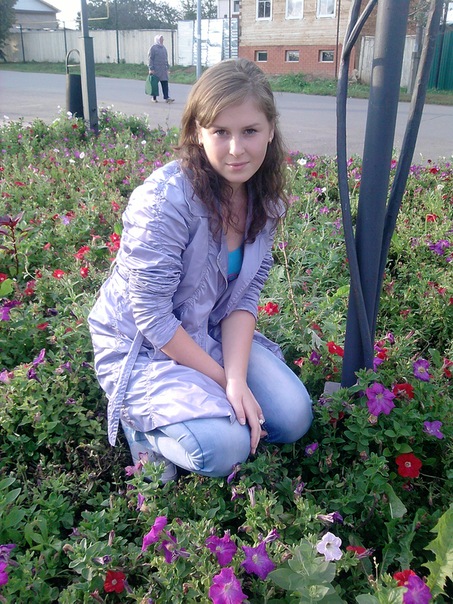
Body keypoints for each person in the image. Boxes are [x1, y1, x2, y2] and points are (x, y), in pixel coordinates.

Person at [88, 58, 313, 483]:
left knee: (294, 416)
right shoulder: (163, 202)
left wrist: (237, 378)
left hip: (206, 329)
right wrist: (225, 381)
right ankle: (142, 428)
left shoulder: (265, 200)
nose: (236, 149)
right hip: (143, 345)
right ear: (197, 132)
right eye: (221, 132)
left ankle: (197, 410)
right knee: (224, 449)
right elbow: (152, 317)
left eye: (250, 131)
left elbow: (244, 297)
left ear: (270, 130)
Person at [147, 35, 174, 103]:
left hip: (163, 69)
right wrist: (151, 68)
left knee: (165, 83)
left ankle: (167, 97)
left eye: (162, 39)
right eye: (161, 39)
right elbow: (150, 59)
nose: (162, 40)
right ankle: (154, 98)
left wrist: (167, 68)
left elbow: (166, 59)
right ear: (157, 40)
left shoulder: (163, 48)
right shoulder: (153, 48)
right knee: (154, 84)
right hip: (155, 69)